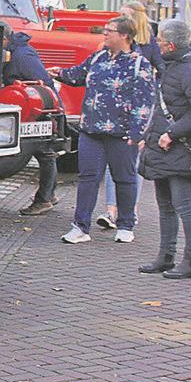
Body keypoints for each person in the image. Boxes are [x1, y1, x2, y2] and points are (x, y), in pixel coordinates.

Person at [55, 15, 156, 245]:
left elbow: (145, 102)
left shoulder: (139, 65)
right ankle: (80, 226)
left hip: (121, 133)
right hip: (91, 129)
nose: (105, 34)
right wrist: (58, 72)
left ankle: (125, 225)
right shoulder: (99, 56)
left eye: (110, 30)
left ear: (125, 36)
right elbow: (78, 75)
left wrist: (137, 132)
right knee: (88, 177)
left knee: (124, 178)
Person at [138, 20, 191, 278]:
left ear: (170, 45)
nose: (156, 44)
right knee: (166, 205)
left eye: (159, 40)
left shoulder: (189, 71)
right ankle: (166, 256)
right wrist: (149, 136)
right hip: (164, 147)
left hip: (178, 147)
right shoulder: (174, 67)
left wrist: (172, 133)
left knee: (183, 205)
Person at [95, 1, 160, 227]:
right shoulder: (109, 50)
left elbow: (160, 73)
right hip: (116, 112)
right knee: (115, 160)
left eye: (124, 15)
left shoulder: (149, 46)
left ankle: (129, 209)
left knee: (132, 162)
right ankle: (111, 210)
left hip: (138, 109)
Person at [0, 24, 60, 216]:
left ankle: (44, 198)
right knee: (45, 152)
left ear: (4, 40)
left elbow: (43, 81)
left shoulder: (21, 55)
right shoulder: (20, 51)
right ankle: (48, 195)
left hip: (34, 107)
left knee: (44, 151)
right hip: (34, 105)